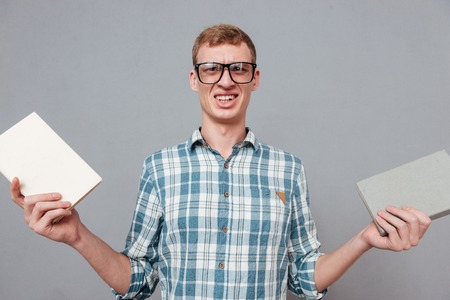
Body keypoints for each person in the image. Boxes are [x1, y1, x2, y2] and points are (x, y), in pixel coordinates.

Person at [10, 24, 431, 300]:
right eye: (211, 69)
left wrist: (364, 239)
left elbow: (303, 278)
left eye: (238, 68)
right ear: (194, 79)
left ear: (255, 78)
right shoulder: (159, 168)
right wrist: (78, 235)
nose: (225, 80)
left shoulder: (289, 169)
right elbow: (137, 281)